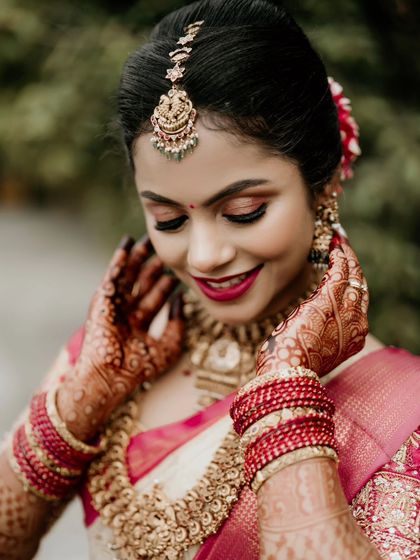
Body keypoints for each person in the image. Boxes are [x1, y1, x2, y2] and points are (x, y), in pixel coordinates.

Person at [1, 1, 419, 559]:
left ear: (323, 187)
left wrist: (286, 398)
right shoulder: (123, 350)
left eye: (244, 210)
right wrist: (82, 401)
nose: (203, 256)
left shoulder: (398, 411)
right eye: (169, 220)